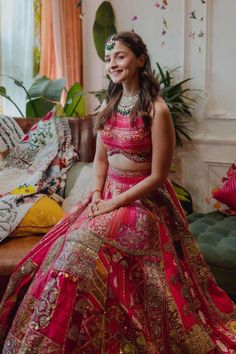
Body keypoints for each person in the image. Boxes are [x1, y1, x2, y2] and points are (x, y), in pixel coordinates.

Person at [0, 31, 236, 354]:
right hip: (105, 196)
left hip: (143, 203)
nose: (112, 63)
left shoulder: (156, 110)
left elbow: (157, 176)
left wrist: (114, 203)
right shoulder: (108, 108)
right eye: (109, 58)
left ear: (140, 59)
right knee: (60, 249)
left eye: (120, 56)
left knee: (85, 246)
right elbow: (100, 161)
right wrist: (97, 196)